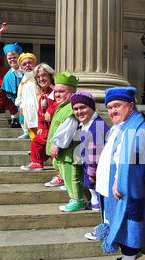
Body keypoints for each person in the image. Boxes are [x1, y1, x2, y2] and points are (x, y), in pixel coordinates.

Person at [95, 87, 145, 260]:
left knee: (131, 222)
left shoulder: (137, 130)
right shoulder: (121, 126)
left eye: (117, 106)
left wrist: (119, 181)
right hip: (118, 186)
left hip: (130, 187)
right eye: (109, 107)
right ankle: (127, 259)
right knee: (123, 221)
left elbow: (134, 162)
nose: (112, 111)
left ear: (130, 105)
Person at [69, 91, 110, 240]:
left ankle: (104, 230)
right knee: (98, 200)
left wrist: (92, 174)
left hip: (99, 172)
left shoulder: (97, 126)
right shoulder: (88, 124)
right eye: (76, 109)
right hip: (93, 170)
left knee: (104, 203)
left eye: (83, 107)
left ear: (92, 107)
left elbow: (95, 154)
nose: (79, 111)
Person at [47, 72, 84, 212]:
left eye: (61, 91)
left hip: (71, 152)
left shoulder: (71, 109)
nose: (56, 95)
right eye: (55, 91)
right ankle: (72, 192)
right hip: (65, 152)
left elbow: (67, 129)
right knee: (64, 172)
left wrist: (56, 144)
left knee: (72, 175)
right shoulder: (63, 107)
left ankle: (77, 200)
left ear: (73, 92)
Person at [20, 63, 57, 171]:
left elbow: (59, 103)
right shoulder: (43, 94)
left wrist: (50, 111)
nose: (41, 79)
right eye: (38, 77)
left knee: (53, 148)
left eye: (44, 75)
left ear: (50, 76)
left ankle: (60, 174)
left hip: (55, 127)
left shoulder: (55, 91)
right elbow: (40, 113)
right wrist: (40, 126)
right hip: (46, 128)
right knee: (37, 141)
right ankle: (37, 162)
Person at [1, 43, 28, 139]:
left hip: (33, 98)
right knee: (22, 115)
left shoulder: (28, 69)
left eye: (14, 57)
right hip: (20, 101)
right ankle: (26, 132)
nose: (12, 59)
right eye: (9, 58)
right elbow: (10, 94)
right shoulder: (7, 76)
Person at [15, 53, 39, 140]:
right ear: (21, 68)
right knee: (32, 132)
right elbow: (20, 97)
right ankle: (35, 149)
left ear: (35, 64)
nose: (27, 66)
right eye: (24, 64)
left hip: (40, 111)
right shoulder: (23, 81)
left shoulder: (40, 77)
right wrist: (21, 107)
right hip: (28, 112)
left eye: (30, 63)